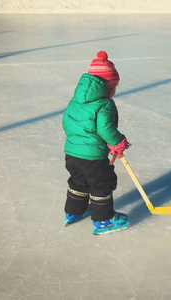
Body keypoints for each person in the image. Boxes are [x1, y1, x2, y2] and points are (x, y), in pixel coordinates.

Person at [62, 51, 130, 235]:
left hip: (72, 153)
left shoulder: (76, 99)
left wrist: (77, 140)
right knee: (101, 184)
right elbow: (105, 128)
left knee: (78, 182)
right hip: (93, 157)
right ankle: (104, 221)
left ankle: (74, 212)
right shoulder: (103, 104)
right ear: (109, 86)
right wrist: (118, 143)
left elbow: (66, 121)